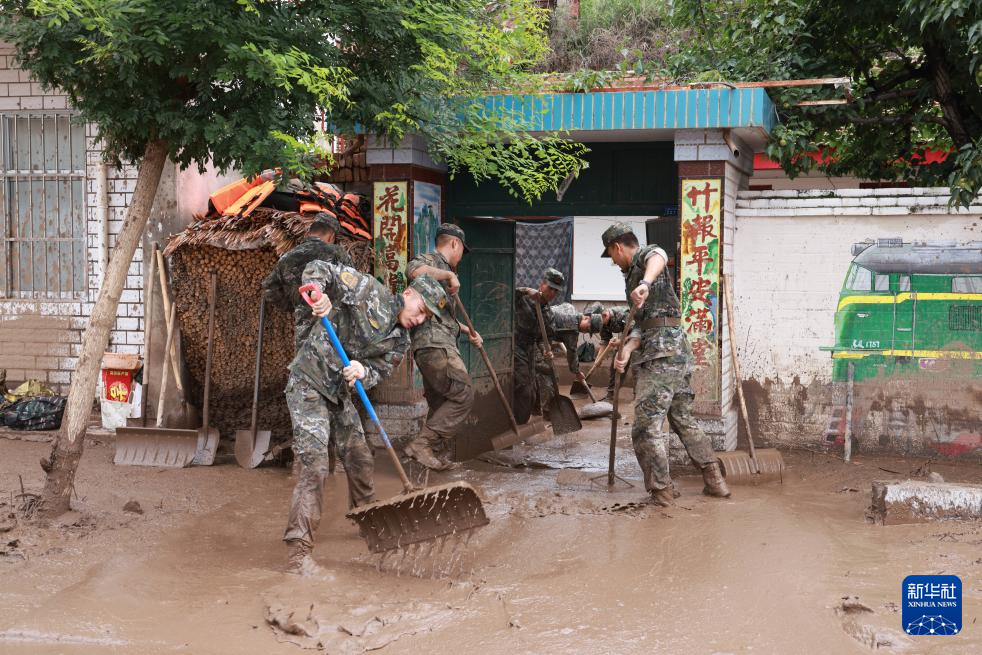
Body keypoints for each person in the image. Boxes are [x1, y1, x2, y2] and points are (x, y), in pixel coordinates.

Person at [282, 260, 447, 573]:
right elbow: (319, 267)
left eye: (426, 317)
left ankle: (370, 521)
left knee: (359, 457)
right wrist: (318, 293)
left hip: (339, 394)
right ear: (408, 294)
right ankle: (298, 554)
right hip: (309, 382)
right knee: (315, 465)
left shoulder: (400, 342)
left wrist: (363, 371)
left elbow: (378, 372)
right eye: (421, 309)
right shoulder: (367, 289)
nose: (420, 318)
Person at [602, 223, 730, 506]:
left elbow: (658, 254)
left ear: (617, 247)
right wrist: (627, 349)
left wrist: (645, 284)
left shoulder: (644, 259)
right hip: (674, 353)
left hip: (661, 356)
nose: (613, 262)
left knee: (645, 427)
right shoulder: (631, 277)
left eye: (611, 256)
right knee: (682, 418)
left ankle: (662, 492)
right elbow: (643, 324)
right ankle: (715, 481)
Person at [404, 223, 482, 470]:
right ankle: (421, 445)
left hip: (436, 343)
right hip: (435, 345)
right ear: (454, 244)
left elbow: (444, 317)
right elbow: (413, 270)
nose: (461, 257)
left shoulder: (446, 271)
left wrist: (467, 331)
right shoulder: (432, 262)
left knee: (441, 402)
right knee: (463, 394)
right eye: (462, 251)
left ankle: (434, 455)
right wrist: (448, 275)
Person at [262, 212, 354, 350]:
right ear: (331, 236)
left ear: (309, 233)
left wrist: (294, 305)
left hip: (304, 332)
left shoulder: (287, 257)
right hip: (334, 329)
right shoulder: (336, 253)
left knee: (305, 362)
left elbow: (269, 288)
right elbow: (353, 285)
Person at [512, 268, 565, 424]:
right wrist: (526, 291)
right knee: (524, 388)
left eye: (556, 291)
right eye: (550, 288)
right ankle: (518, 423)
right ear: (542, 285)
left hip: (530, 349)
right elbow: (509, 294)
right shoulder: (524, 299)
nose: (552, 293)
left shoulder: (548, 315)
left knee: (533, 391)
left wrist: (546, 350)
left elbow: (544, 339)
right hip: (513, 346)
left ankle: (523, 419)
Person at [549, 302, 606, 387]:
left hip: (538, 322)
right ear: (586, 318)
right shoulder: (572, 329)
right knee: (552, 377)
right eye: (587, 329)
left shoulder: (570, 307)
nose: (585, 332)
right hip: (536, 335)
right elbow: (572, 353)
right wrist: (577, 372)